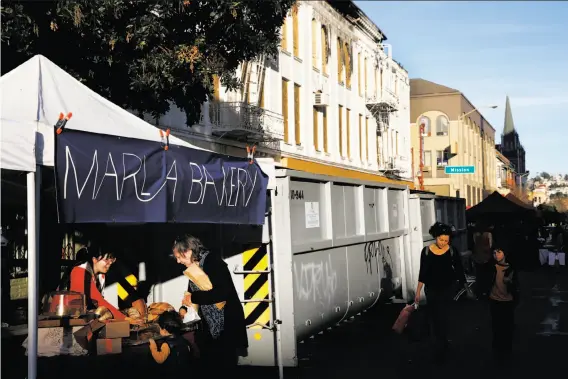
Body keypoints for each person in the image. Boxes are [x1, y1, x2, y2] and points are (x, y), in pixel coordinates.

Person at [172, 235, 248, 373]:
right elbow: (191, 290)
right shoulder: (195, 266)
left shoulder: (212, 261)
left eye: (179, 257)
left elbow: (222, 292)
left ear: (188, 251)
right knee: (209, 362)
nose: (178, 261)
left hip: (225, 322)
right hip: (208, 324)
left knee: (224, 364)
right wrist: (184, 307)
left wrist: (194, 298)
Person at [415, 222, 468, 362]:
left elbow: (459, 270)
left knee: (443, 315)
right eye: (441, 239)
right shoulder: (426, 251)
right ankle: (438, 341)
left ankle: (442, 342)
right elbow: (423, 273)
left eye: (446, 240)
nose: (443, 243)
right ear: (435, 237)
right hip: (431, 289)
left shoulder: (452, 251)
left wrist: (465, 287)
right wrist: (418, 292)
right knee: (434, 316)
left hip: (447, 288)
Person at [67, 245, 125, 320]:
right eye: (106, 260)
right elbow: (98, 300)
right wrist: (124, 318)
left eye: (112, 260)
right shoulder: (80, 271)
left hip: (79, 316)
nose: (110, 263)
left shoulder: (100, 276)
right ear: (95, 259)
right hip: (64, 317)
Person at [488, 244, 519, 359]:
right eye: (494, 253)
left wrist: (510, 282)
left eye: (499, 252)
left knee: (507, 327)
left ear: (505, 253)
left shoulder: (511, 269)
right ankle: (497, 349)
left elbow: (516, 287)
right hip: (494, 300)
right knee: (496, 326)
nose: (496, 255)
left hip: (507, 301)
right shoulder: (492, 267)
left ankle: (506, 350)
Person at [472, 223, 493, 298]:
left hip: (478, 257)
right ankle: (487, 292)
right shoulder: (488, 234)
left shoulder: (475, 234)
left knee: (479, 275)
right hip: (486, 257)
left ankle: (479, 292)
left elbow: (475, 244)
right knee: (487, 275)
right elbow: (490, 245)